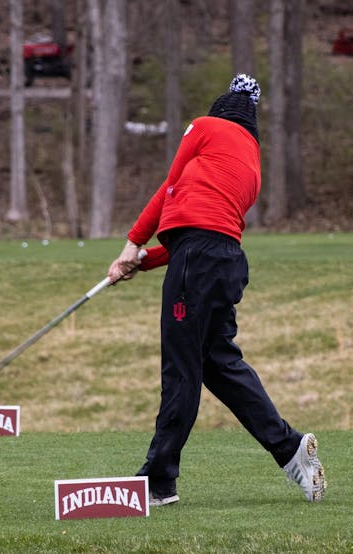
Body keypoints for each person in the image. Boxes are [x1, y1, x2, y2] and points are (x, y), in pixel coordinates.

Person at [108, 74, 326, 506]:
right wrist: (145, 262)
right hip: (223, 264)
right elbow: (199, 234)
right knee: (218, 363)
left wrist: (132, 243)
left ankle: (158, 481)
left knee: (181, 369)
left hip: (199, 263)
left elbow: (169, 191)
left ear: (220, 111)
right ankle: (290, 449)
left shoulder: (203, 127)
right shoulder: (251, 165)